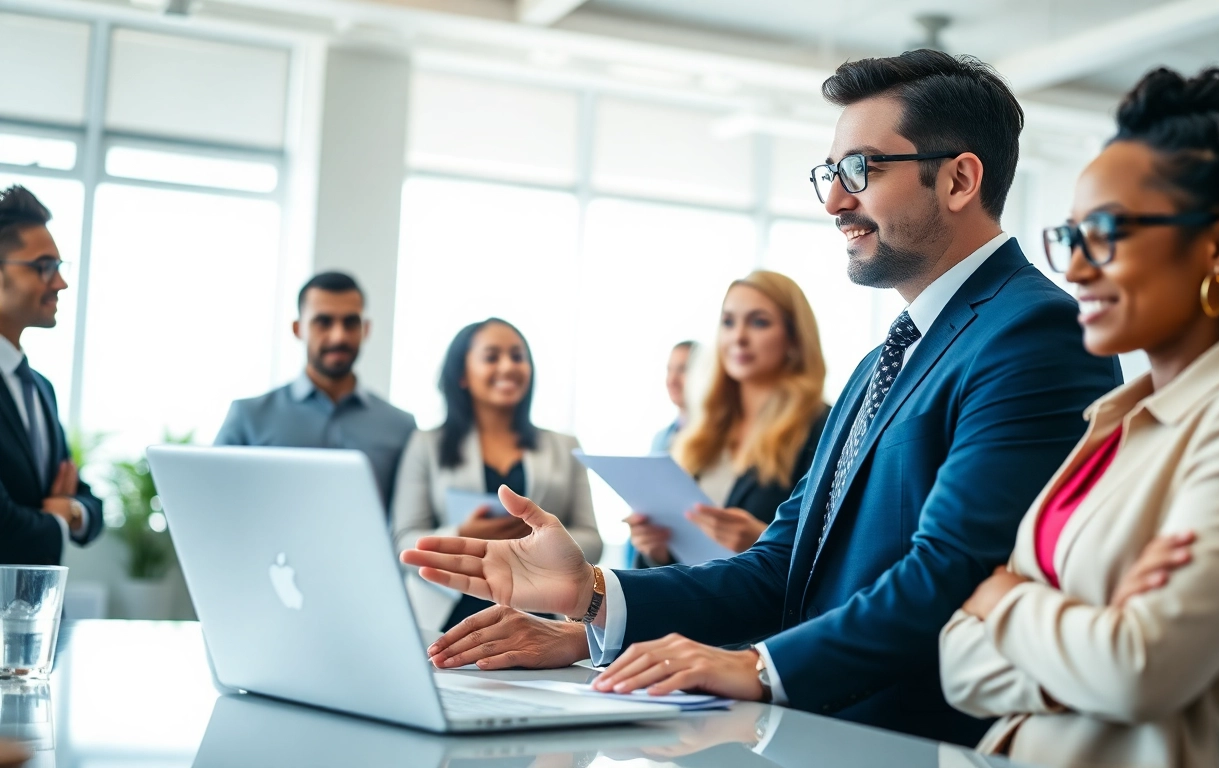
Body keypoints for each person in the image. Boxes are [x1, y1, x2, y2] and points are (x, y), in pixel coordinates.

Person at [402, 50, 1121, 745]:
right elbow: (783, 567)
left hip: (917, 746)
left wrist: (757, 667)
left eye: (860, 170)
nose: (835, 201)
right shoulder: (884, 360)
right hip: (819, 737)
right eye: (830, 174)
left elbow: (956, 572)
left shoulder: (1032, 331)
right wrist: (592, 593)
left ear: (959, 179)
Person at [938, 68, 1219, 768]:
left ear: (1216, 246)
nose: (1075, 269)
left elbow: (1136, 672)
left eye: (1103, 232)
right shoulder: (1121, 418)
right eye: (1070, 235)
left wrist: (1002, 601)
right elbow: (957, 665)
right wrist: (1087, 635)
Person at [392, 318, 602, 631]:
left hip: (540, 617)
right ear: (462, 374)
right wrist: (463, 533)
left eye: (517, 357)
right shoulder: (426, 444)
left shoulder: (565, 446)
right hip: (446, 617)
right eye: (491, 357)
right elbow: (403, 541)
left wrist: (540, 542)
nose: (508, 367)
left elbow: (592, 540)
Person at [629, 270, 830, 567]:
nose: (739, 337)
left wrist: (764, 541)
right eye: (728, 322)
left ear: (794, 338)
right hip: (687, 595)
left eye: (759, 322)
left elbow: (836, 553)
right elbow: (674, 561)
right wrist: (656, 550)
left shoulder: (823, 427)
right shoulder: (704, 426)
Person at [214, 272, 415, 513]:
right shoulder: (248, 417)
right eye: (323, 322)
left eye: (351, 323)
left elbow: (411, 521)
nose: (339, 336)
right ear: (298, 328)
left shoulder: (401, 427)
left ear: (366, 329)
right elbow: (211, 502)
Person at [0, 185, 103, 565]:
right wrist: (59, 518)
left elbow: (87, 499)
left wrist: (72, 511)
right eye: (44, 266)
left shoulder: (40, 388)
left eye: (58, 267)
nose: (60, 282)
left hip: (35, 602)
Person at [650, 340, 694, 454]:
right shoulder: (660, 441)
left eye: (682, 369)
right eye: (669, 370)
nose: (671, 380)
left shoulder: (723, 434)